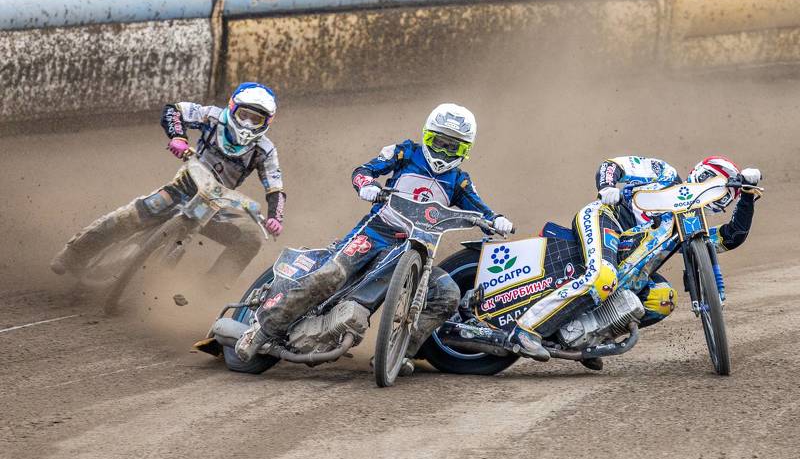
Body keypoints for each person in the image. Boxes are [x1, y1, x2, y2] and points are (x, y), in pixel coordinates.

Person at [234, 103, 531, 368]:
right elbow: (364, 170)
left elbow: (481, 209)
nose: (442, 152)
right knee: (331, 275)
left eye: (452, 147)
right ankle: (261, 330)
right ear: (427, 136)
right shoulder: (406, 152)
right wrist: (366, 185)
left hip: (420, 248)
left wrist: (497, 220)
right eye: (438, 143)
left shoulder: (460, 182)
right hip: (378, 231)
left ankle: (399, 354)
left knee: (447, 295)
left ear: (465, 150)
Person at [507, 155, 762, 370]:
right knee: (603, 277)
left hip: (629, 272)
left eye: (727, 197)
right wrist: (607, 187)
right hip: (606, 217)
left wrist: (748, 196)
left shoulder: (690, 229)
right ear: (704, 176)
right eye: (720, 190)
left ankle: (588, 339)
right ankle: (525, 330)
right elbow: (612, 165)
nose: (721, 200)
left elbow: (731, 237)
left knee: (663, 299)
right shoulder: (665, 173)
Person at [51, 82, 286, 284]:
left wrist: (275, 217)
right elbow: (174, 110)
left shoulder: (265, 150)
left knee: (250, 239)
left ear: (267, 122)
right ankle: (74, 253)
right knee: (132, 214)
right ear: (232, 108)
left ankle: (209, 290)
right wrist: (178, 137)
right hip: (185, 186)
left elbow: (275, 187)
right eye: (244, 115)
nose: (247, 123)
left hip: (215, 205)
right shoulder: (212, 116)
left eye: (256, 119)